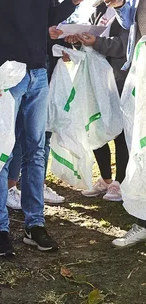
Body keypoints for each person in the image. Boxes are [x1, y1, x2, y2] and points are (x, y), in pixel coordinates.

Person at [0, 0, 84, 256]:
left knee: (36, 151)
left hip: (38, 73)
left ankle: (35, 225)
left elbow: (47, 17)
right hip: (4, 73)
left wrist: (72, 3)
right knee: (1, 153)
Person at [61, 3, 130, 202]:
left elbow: (124, 46)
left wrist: (96, 42)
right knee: (95, 126)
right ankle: (106, 179)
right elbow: (89, 42)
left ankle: (120, 182)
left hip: (119, 78)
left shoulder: (129, 9)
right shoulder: (98, 10)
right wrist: (77, 41)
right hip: (95, 79)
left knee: (120, 130)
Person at [104, 0, 146, 247]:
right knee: (140, 147)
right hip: (140, 71)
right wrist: (119, 4)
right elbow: (128, 22)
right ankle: (142, 220)